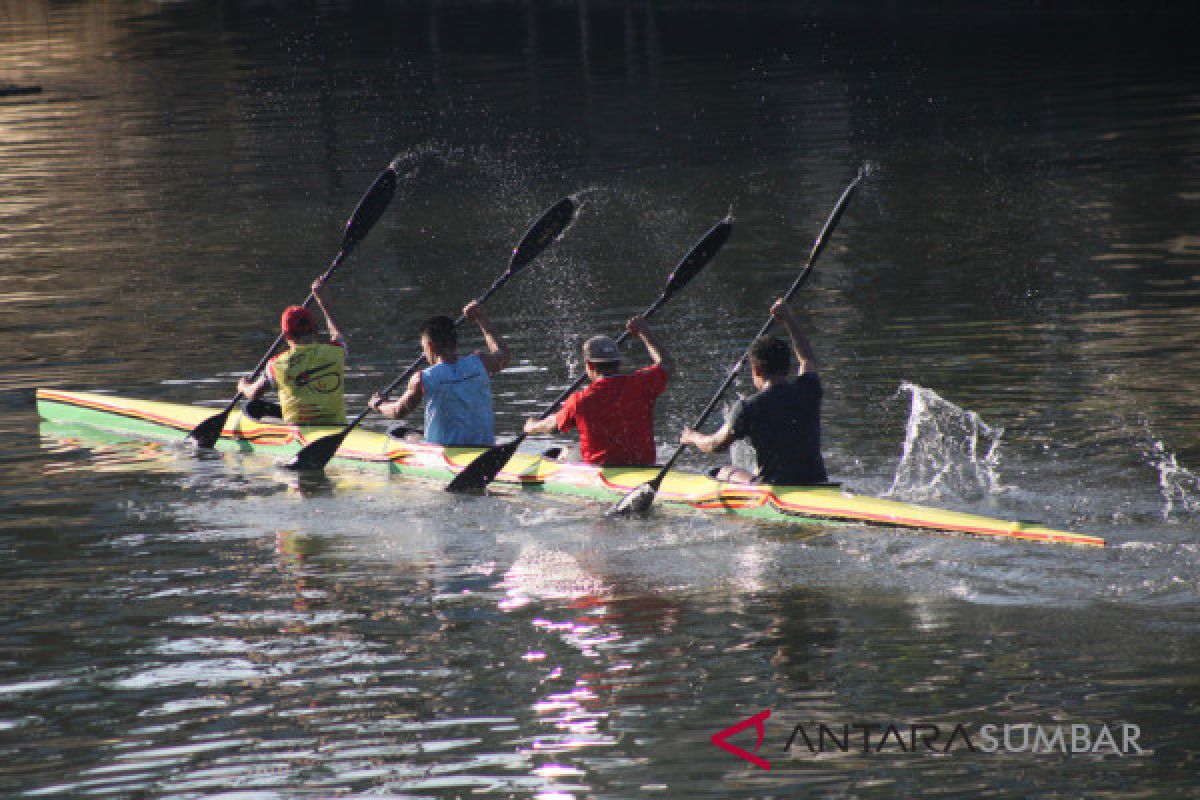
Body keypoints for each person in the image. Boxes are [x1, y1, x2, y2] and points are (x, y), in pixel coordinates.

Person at [679, 298, 828, 485]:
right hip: (819, 482)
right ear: (788, 368)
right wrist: (790, 320)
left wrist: (692, 437)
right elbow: (806, 358)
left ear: (756, 370)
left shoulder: (747, 407)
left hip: (775, 488)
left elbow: (716, 445)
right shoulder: (809, 389)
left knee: (723, 471)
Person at [524, 315, 674, 466]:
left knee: (566, 452)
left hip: (600, 471)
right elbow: (666, 364)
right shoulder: (643, 383)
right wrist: (644, 332)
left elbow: (553, 425)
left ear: (589, 366)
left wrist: (532, 427)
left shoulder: (581, 400)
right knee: (572, 450)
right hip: (644, 466)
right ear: (619, 363)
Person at [369, 301, 509, 446]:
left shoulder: (422, 378)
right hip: (486, 447)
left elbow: (397, 411)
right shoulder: (480, 362)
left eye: (423, 348)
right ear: (455, 342)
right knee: (417, 431)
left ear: (430, 346)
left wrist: (379, 404)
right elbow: (503, 355)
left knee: (396, 430)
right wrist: (481, 318)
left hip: (443, 454)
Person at [238, 276, 348, 426]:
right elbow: (338, 333)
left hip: (297, 433)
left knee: (261, 414)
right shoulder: (335, 353)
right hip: (338, 427)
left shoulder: (276, 364)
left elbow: (254, 394)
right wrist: (323, 301)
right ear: (316, 330)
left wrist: (243, 386)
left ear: (286, 336)